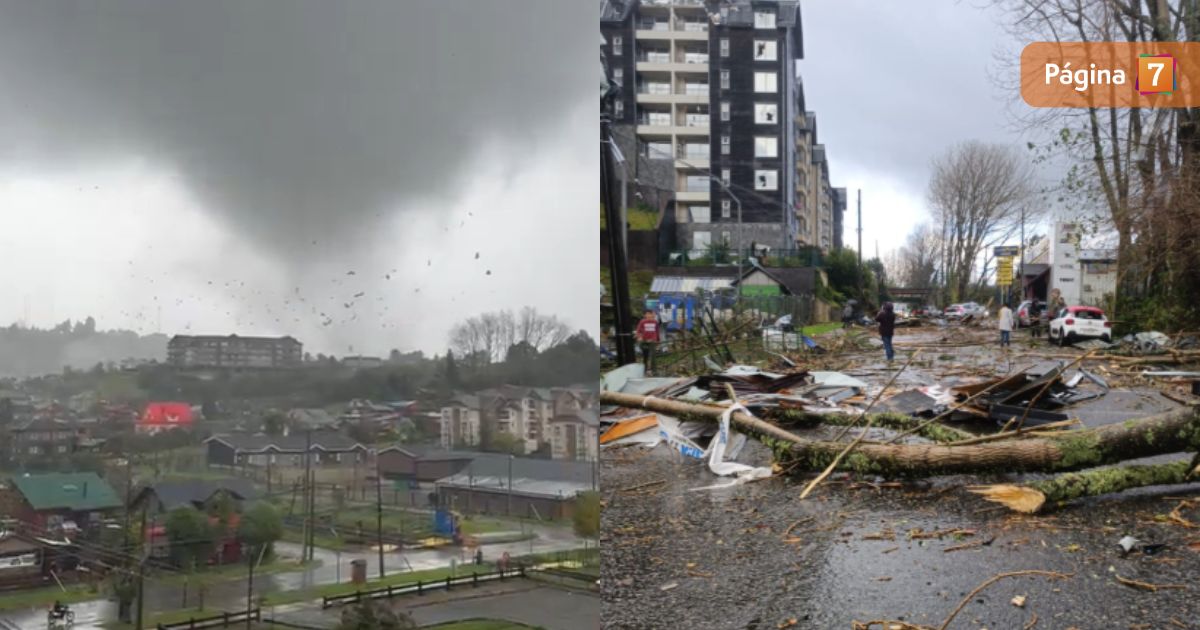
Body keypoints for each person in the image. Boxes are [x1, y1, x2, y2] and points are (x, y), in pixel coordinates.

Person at [634, 309, 661, 374]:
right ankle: (644, 369)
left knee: (653, 356)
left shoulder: (655, 322)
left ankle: (654, 371)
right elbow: (638, 330)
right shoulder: (642, 322)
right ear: (645, 315)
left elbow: (657, 332)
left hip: (652, 341)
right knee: (645, 355)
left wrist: (658, 340)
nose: (649, 315)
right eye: (647, 314)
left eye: (650, 314)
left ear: (652, 315)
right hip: (644, 341)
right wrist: (639, 337)